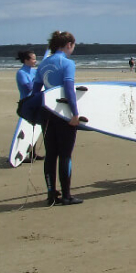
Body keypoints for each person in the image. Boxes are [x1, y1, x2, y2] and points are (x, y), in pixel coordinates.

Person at [32, 31, 83, 206]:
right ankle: (67, 195)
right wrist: (75, 114)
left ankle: (51, 194)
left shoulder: (44, 63)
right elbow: (69, 89)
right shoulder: (67, 63)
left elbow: (35, 89)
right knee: (65, 155)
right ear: (68, 44)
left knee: (51, 155)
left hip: (47, 112)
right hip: (63, 113)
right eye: (73, 46)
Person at [15, 49, 45, 161]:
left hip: (36, 101)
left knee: (36, 127)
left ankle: (33, 153)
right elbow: (27, 87)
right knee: (28, 128)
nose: (35, 61)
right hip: (26, 103)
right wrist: (37, 83)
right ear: (26, 60)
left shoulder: (34, 71)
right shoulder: (21, 73)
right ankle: (25, 152)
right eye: (33, 58)